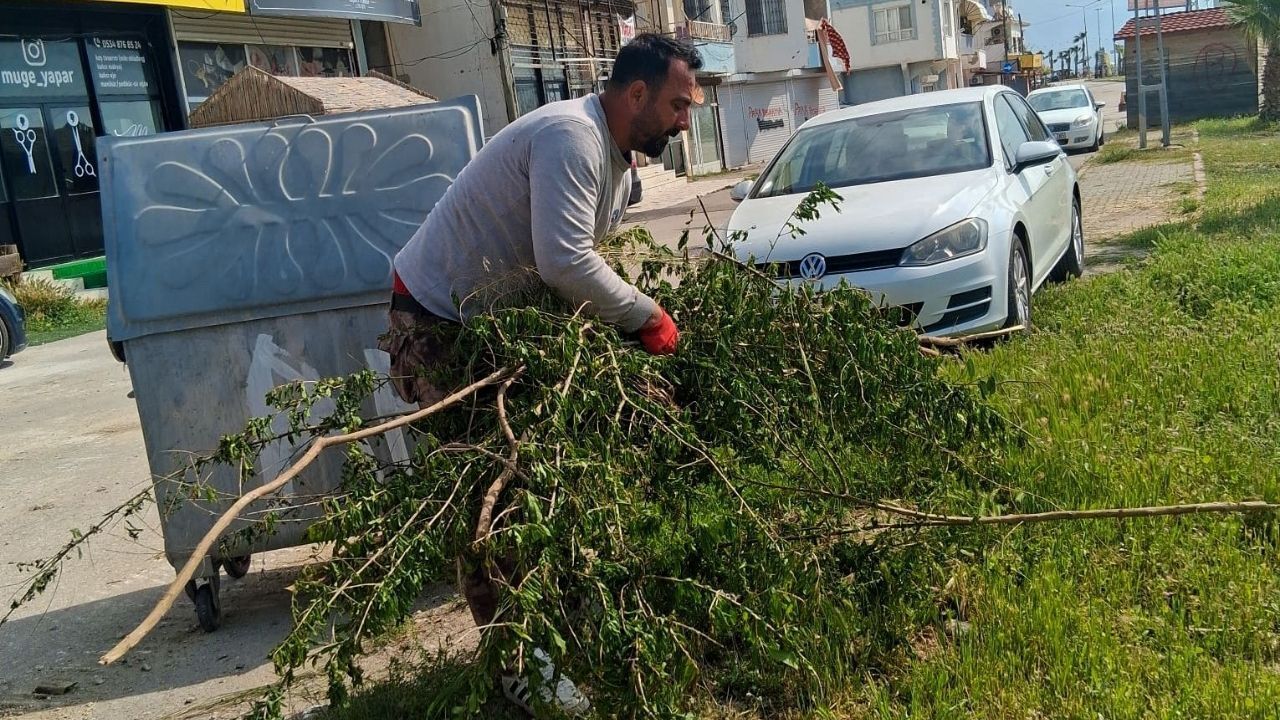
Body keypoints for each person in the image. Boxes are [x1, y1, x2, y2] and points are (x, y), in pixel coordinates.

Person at [380, 33, 704, 715]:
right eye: (678, 104)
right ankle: (519, 670)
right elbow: (563, 262)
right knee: (492, 497)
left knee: (559, 467)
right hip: (436, 324)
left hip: (500, 325)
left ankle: (570, 628)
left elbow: (576, 264)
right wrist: (647, 317)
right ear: (637, 93)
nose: (685, 119)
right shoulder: (571, 138)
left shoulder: (617, 161)